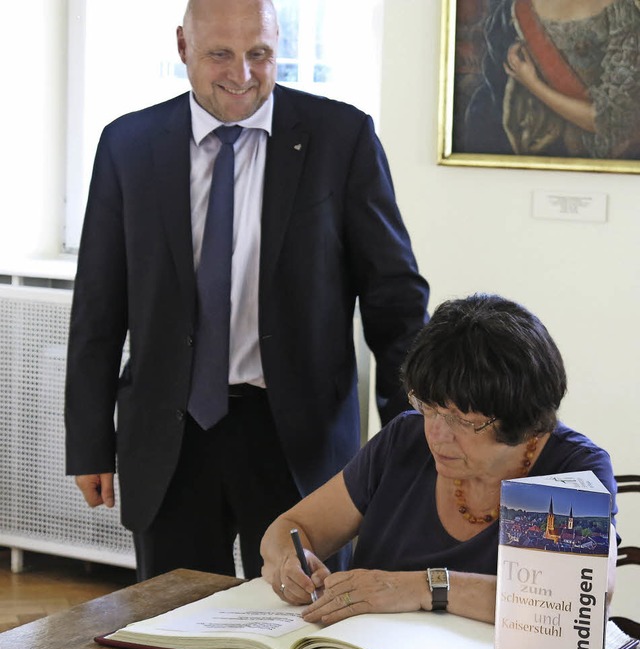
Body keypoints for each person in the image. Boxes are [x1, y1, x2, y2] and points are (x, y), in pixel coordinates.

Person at [64, 0, 429, 581]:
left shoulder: (341, 137)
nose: (241, 73)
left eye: (258, 54)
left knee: (304, 629)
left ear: (277, 46)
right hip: (169, 438)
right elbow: (98, 309)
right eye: (219, 54)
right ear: (183, 46)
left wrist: (415, 434)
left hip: (298, 441)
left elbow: (395, 300)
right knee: (173, 630)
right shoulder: (127, 145)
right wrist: (88, 440)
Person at [261, 294, 618, 625]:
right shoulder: (405, 440)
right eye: (428, 408)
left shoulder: (568, 470)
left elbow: (573, 600)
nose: (437, 434)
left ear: (523, 422)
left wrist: (424, 588)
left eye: (463, 421)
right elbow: (292, 527)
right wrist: (289, 563)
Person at [464, 0, 640, 159]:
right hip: (526, 154)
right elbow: (494, 98)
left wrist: (533, 85)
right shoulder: (509, 11)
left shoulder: (621, 10)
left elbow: (608, 120)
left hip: (602, 160)